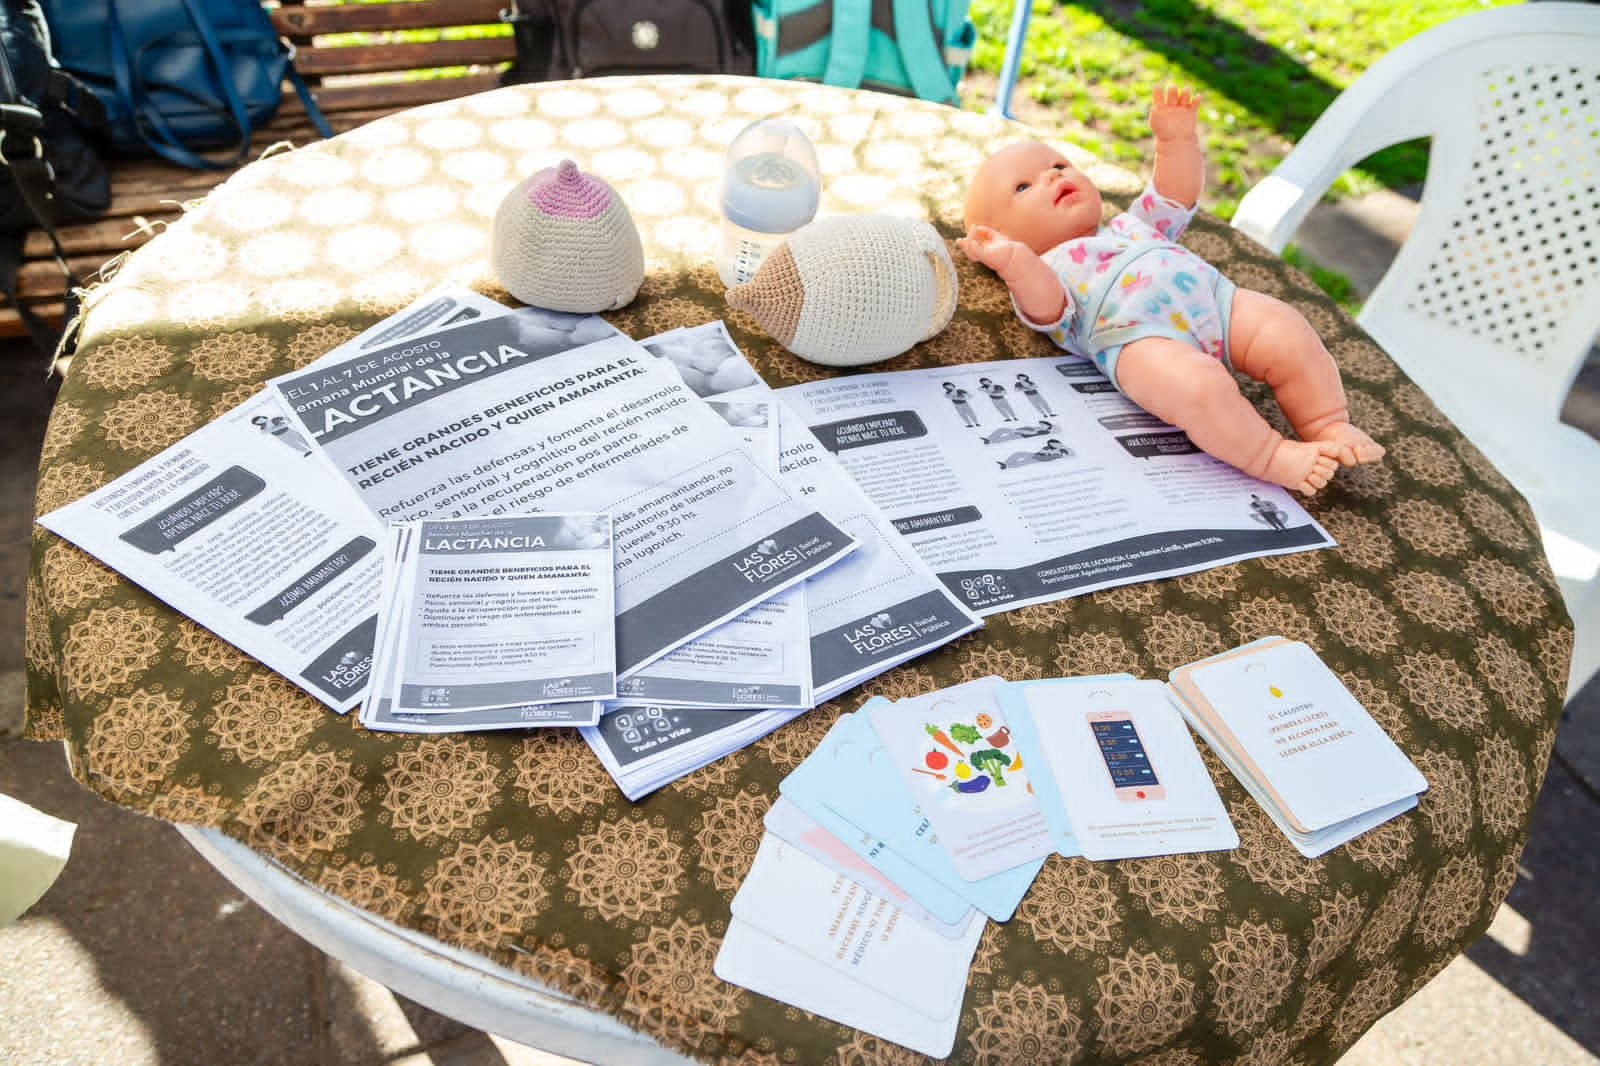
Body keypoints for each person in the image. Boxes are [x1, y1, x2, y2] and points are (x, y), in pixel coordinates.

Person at [958, 87, 1383, 495]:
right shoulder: (1050, 267)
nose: (1052, 175)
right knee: (1199, 388)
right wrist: (1013, 262)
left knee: (1285, 328)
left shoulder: (1129, 225)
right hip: (1142, 341)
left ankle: (1327, 423)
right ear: (999, 235)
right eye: (1023, 187)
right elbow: (1046, 306)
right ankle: (1270, 455)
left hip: (1216, 305)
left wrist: (1175, 142)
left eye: (1059, 165)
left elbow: (1173, 195)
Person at [998, 438, 1072, 470]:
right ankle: (1006, 463)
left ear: (1058, 443)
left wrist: (1045, 454)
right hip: (1036, 455)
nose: (1053, 445)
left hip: (1040, 459)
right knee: (1018, 453)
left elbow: (1051, 457)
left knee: (1024, 462)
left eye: (1054, 444)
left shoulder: (1061, 450)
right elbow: (1042, 451)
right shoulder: (1047, 447)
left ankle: (1007, 466)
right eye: (1051, 444)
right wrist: (1044, 452)